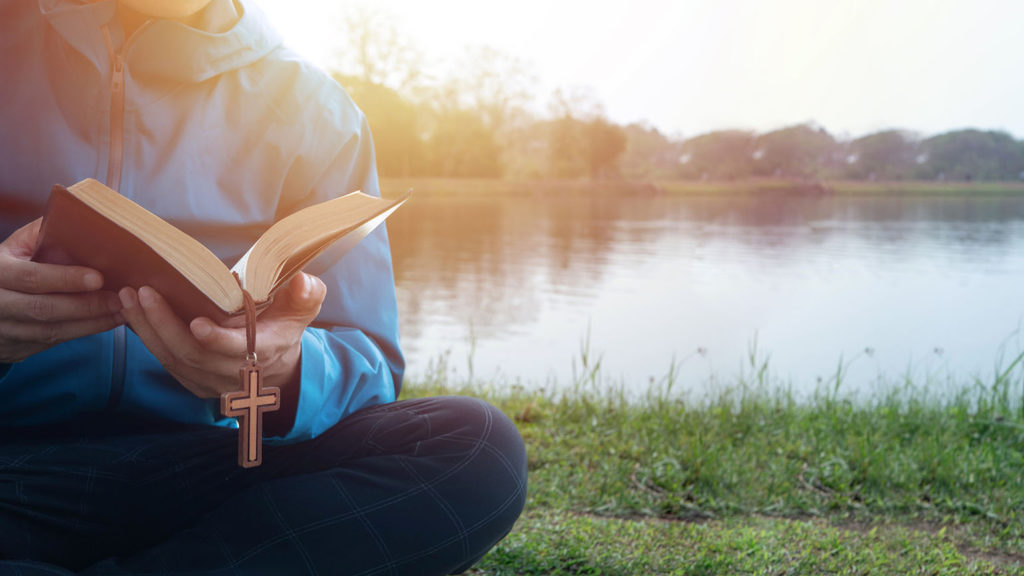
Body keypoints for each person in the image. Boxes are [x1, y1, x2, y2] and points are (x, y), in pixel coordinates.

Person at [0, 0, 527, 574]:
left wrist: (287, 371)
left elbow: (370, 363)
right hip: (15, 463)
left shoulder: (318, 110)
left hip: (219, 468)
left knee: (476, 449)